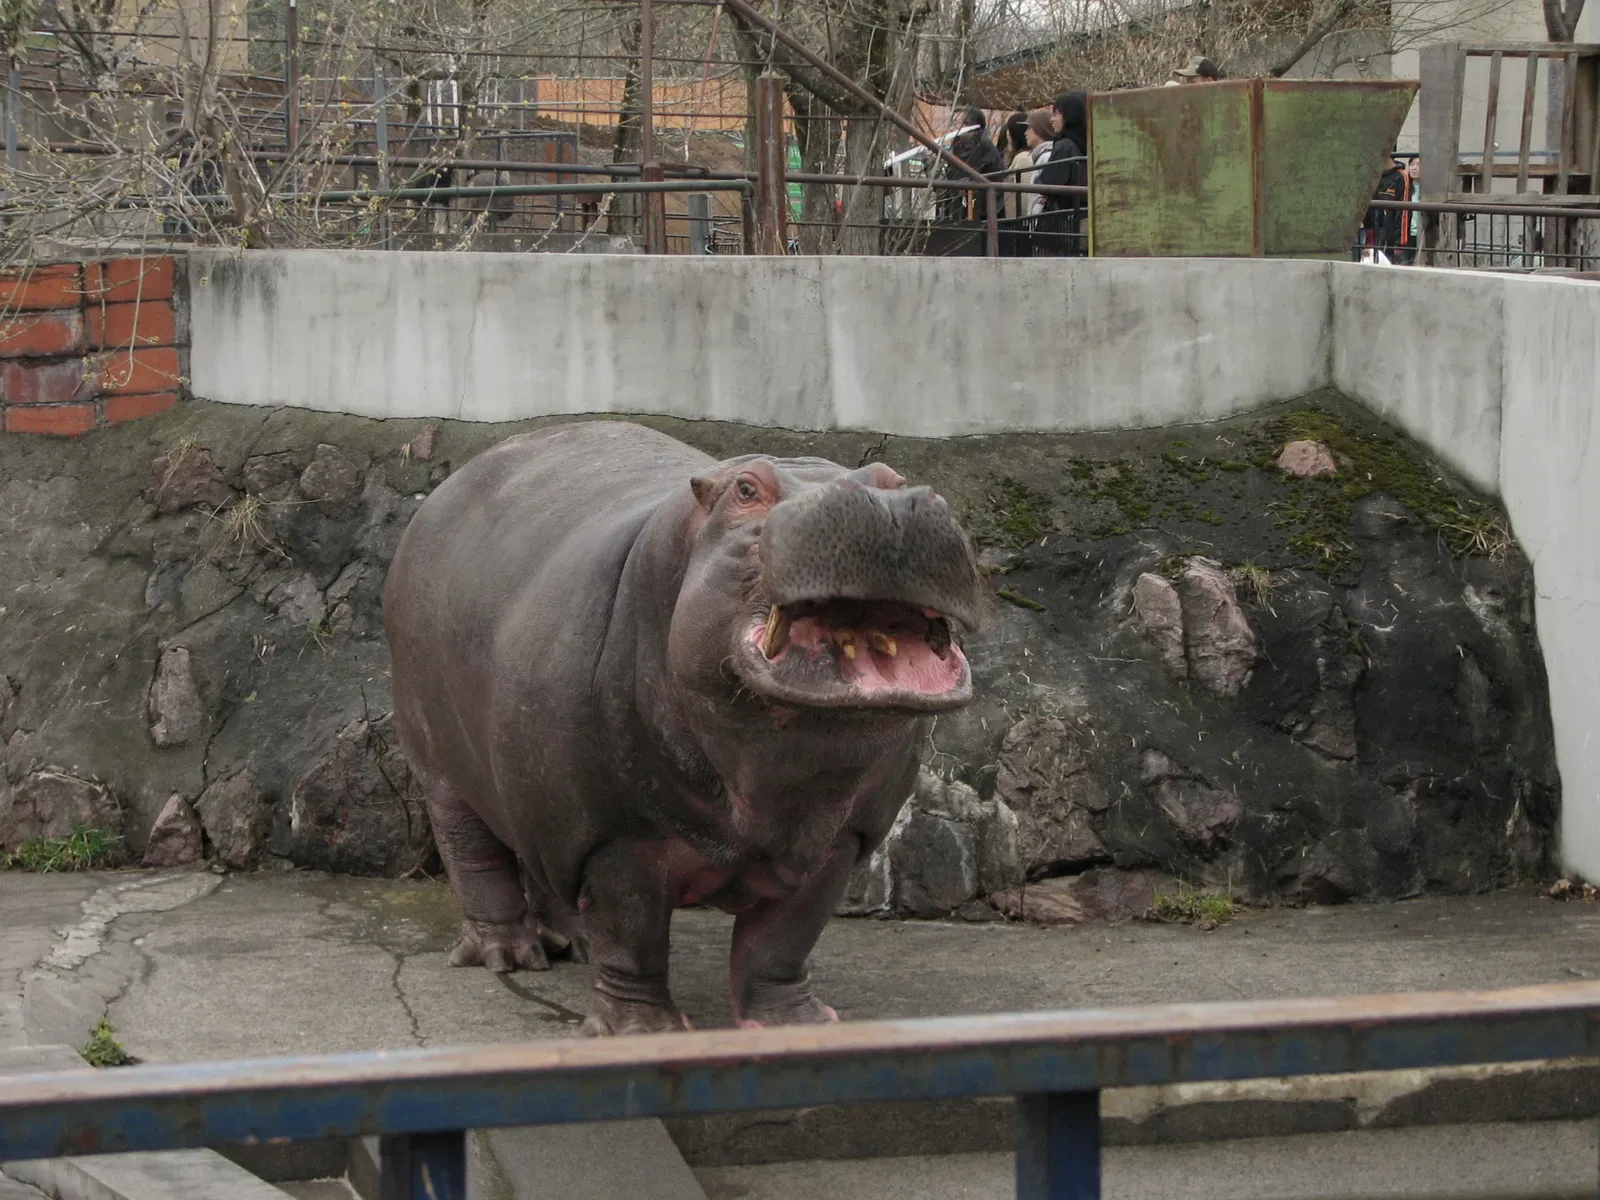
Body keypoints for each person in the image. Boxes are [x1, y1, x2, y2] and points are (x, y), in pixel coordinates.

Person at [1031, 93, 1087, 255]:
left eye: (1057, 113)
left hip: (1061, 225)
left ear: (1069, 115)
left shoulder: (1064, 145)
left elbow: (1049, 183)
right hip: (1080, 222)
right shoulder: (1087, 143)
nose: (1052, 119)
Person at [937, 106, 1005, 224]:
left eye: (955, 123)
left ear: (970, 126)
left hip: (985, 209)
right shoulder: (963, 144)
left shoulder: (979, 143)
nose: (952, 128)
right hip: (976, 205)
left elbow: (961, 172)